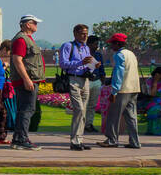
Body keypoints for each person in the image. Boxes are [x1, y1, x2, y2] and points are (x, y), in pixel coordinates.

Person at [58, 23, 98, 151]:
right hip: (73, 79)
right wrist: (81, 62)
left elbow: (87, 65)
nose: (85, 36)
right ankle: (74, 141)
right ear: (75, 34)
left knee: (83, 111)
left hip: (85, 80)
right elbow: (63, 64)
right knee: (79, 109)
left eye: (86, 33)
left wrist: (93, 66)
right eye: (82, 33)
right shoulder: (68, 46)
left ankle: (79, 140)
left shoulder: (86, 48)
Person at [99, 32, 141, 148]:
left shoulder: (119, 55)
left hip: (122, 89)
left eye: (112, 44)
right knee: (131, 117)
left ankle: (112, 140)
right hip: (134, 88)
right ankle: (135, 141)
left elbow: (119, 73)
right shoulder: (131, 54)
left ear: (117, 43)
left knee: (113, 115)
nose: (111, 46)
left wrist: (114, 91)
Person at [9, 15, 44, 149]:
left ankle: (18, 139)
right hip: (26, 81)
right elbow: (17, 60)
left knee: (24, 110)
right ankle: (22, 139)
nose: (36, 25)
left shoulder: (26, 39)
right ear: (27, 24)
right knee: (27, 110)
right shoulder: (21, 40)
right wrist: (26, 79)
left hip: (28, 80)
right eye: (34, 23)